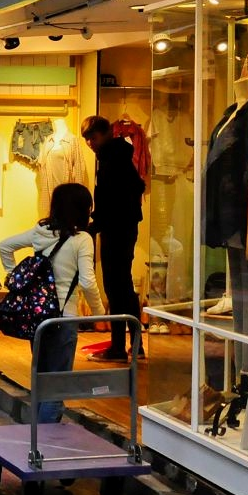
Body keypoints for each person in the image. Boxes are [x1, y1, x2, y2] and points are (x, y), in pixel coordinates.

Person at [0, 183, 104, 422]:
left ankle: (34, 442)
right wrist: (99, 314)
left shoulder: (41, 230)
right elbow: (87, 282)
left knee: (41, 381)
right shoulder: (82, 239)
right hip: (64, 318)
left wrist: (14, 277)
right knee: (57, 386)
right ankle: (45, 445)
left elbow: (4, 246)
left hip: (38, 316)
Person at [81, 116, 145, 362]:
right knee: (123, 288)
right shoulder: (117, 156)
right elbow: (135, 188)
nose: (90, 144)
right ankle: (133, 345)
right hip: (122, 227)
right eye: (87, 140)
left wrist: (96, 223)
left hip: (117, 229)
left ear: (106, 134)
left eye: (93, 138)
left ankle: (119, 347)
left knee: (117, 288)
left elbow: (114, 197)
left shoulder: (112, 159)